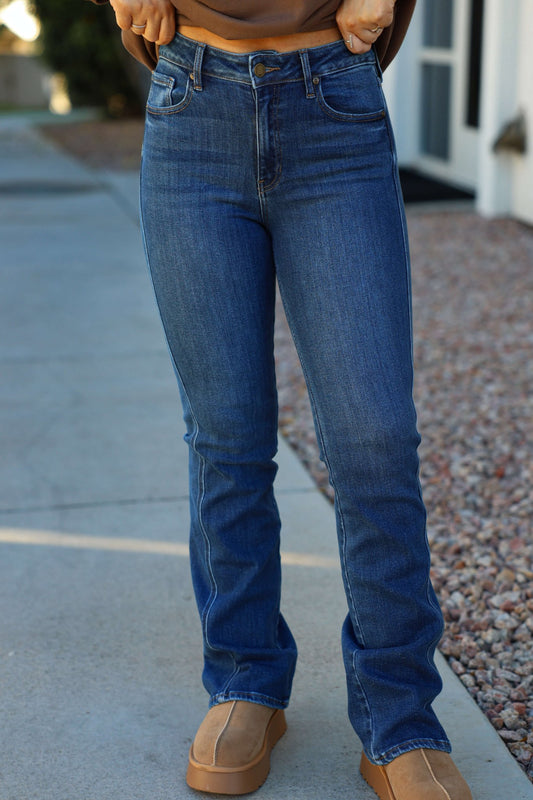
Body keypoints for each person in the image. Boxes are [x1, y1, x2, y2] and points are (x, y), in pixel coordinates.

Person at [90, 1, 473, 798]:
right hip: (191, 100)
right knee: (225, 435)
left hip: (331, 103)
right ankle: (245, 681)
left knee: (373, 439)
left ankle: (399, 716)